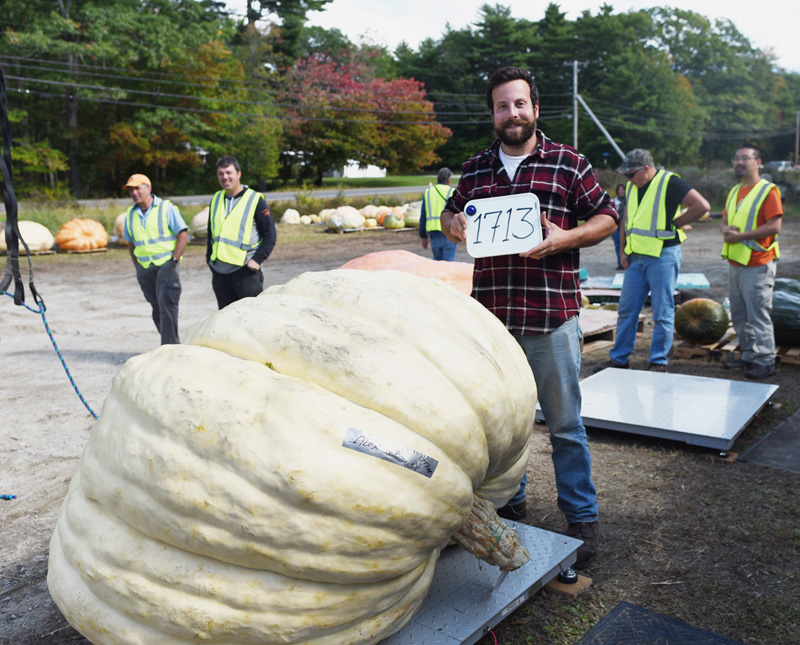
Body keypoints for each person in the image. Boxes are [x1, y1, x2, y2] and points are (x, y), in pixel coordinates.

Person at [440, 66, 618, 569]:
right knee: (502, 428)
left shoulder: (568, 163)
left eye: (520, 104)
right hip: (492, 325)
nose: (512, 113)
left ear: (535, 109)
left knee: (564, 425)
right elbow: (448, 217)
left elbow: (606, 217)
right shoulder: (475, 170)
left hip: (552, 317)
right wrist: (453, 226)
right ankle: (510, 504)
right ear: (493, 113)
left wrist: (565, 238)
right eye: (502, 105)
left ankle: (582, 518)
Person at [597, 149, 710, 372]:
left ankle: (658, 361)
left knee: (662, 312)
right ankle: (619, 359)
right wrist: (622, 253)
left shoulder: (670, 182)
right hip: (636, 260)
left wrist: (676, 223)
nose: (627, 179)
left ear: (646, 169)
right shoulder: (632, 186)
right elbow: (626, 221)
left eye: (631, 174)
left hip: (663, 257)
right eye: (626, 176)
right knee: (627, 311)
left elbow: (702, 206)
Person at [720, 144, 782, 380]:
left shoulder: (768, 191)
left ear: (758, 162)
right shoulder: (735, 191)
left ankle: (766, 361)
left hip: (758, 263)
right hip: (736, 263)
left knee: (758, 315)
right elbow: (724, 221)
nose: (739, 162)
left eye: (745, 158)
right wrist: (726, 229)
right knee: (739, 314)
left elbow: (775, 226)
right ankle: (748, 355)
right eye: (736, 158)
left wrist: (740, 236)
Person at [122, 173, 188, 345]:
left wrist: (174, 260)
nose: (134, 193)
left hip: (167, 265)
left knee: (167, 306)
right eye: (131, 190)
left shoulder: (166, 208)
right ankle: (171, 344)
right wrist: (137, 267)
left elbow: (183, 234)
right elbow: (131, 243)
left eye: (137, 188)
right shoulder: (130, 214)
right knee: (157, 309)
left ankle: (170, 348)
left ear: (148, 188)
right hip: (145, 268)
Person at [207, 156, 277, 309]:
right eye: (221, 173)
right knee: (226, 321)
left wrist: (257, 260)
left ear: (238, 173)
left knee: (252, 319)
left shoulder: (254, 199)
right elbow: (210, 234)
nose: (225, 177)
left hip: (246, 271)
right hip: (220, 273)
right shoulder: (216, 199)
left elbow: (270, 235)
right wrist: (209, 260)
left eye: (229, 172)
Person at [419, 167, 457, 261]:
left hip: (433, 234)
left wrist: (423, 235)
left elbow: (423, 215)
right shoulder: (451, 191)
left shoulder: (428, 192)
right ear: (449, 179)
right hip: (448, 232)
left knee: (437, 264)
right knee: (447, 265)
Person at [611, 183, 626, 269]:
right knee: (618, 246)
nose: (621, 191)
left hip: (626, 228)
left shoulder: (630, 200)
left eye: (622, 189)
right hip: (617, 228)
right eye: (619, 190)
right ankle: (620, 263)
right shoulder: (614, 201)